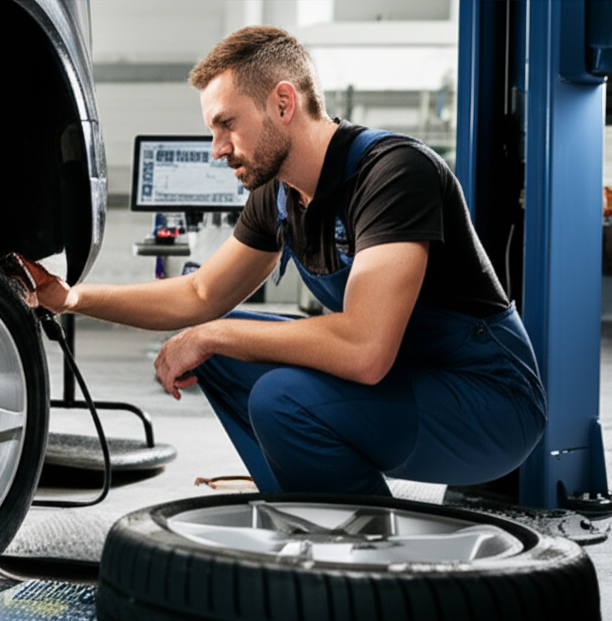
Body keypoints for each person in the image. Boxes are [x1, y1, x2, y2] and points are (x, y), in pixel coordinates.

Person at [28, 25, 546, 496]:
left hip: (491, 404)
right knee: (225, 355)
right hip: (411, 382)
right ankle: (300, 511)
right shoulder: (277, 194)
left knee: (274, 390)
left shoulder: (393, 174)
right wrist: (70, 298)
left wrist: (213, 333)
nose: (216, 149)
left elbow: (366, 349)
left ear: (282, 103)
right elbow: (200, 294)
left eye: (226, 124)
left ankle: (363, 557)